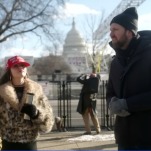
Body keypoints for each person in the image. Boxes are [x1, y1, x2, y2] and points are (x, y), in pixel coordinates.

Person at [106, 7, 151, 150]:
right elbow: (110, 92)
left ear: (129, 32)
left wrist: (128, 104)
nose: (111, 34)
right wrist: (112, 103)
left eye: (115, 30)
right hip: (124, 139)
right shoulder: (115, 63)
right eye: (110, 30)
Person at [0, 56, 54, 150]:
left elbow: (48, 122)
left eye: (23, 65)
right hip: (8, 144)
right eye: (15, 66)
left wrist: (37, 114)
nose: (20, 68)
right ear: (9, 70)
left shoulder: (36, 90)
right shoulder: (1, 91)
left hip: (30, 145)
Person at [77, 70, 101, 135]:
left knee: (85, 116)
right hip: (93, 101)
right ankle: (98, 129)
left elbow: (78, 79)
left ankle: (88, 131)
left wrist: (83, 75)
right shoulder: (97, 81)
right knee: (93, 115)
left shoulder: (87, 81)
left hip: (86, 101)